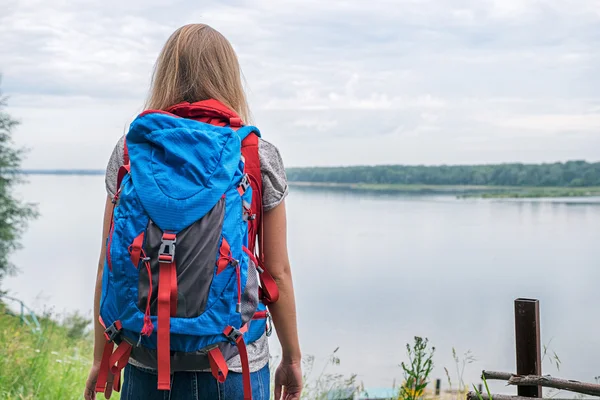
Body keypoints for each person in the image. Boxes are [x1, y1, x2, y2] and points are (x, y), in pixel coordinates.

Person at [84, 23, 302, 400]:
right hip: (236, 364)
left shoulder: (130, 151)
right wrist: (292, 359)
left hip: (144, 359)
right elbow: (277, 272)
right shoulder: (254, 154)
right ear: (229, 77)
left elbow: (109, 262)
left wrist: (100, 359)